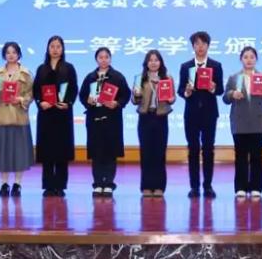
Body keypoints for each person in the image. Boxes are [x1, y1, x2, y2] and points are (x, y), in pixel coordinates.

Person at [177, 31, 225, 198]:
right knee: (193, 150)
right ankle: (194, 187)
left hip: (209, 113)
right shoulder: (186, 67)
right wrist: (187, 92)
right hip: (191, 114)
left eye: (203, 43)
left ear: (208, 46)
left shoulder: (215, 65)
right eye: (197, 44)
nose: (200, 47)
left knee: (208, 150)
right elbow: (180, 90)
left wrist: (213, 87)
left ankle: (208, 186)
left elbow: (220, 90)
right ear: (193, 46)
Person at [79, 47, 131, 196]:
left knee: (110, 152)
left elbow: (126, 95)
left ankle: (108, 183)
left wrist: (117, 103)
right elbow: (82, 95)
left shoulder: (117, 77)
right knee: (96, 153)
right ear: (96, 59)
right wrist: (88, 101)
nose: (103, 60)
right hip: (94, 120)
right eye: (100, 57)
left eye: (106, 57)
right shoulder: (90, 77)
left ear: (110, 59)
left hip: (112, 120)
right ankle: (97, 183)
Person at [223, 46, 262, 199]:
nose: (249, 60)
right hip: (239, 122)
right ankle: (241, 187)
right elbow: (225, 98)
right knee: (241, 156)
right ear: (241, 59)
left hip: (258, 122)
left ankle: (256, 187)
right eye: (246, 57)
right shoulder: (234, 78)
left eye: (252, 57)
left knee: (257, 156)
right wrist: (232, 94)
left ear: (256, 59)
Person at [0, 42, 33, 198]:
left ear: (19, 54)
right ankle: (4, 184)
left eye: (14, 52)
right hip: (1, 116)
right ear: (4, 55)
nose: (11, 55)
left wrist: (21, 99)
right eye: (8, 52)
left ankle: (17, 184)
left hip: (19, 116)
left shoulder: (26, 74)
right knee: (3, 151)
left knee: (19, 152)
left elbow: (31, 94)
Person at [33, 35, 79, 197]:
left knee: (61, 152)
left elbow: (74, 89)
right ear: (47, 49)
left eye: (58, 46)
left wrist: (68, 103)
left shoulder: (69, 68)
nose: (55, 49)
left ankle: (60, 185)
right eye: (52, 46)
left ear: (63, 49)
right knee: (47, 151)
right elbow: (36, 90)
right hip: (46, 114)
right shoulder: (41, 68)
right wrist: (40, 102)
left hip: (62, 114)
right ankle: (48, 185)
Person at [132, 50, 175, 197]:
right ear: (146, 63)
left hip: (161, 118)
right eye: (150, 60)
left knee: (159, 153)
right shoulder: (140, 78)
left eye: (156, 60)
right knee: (146, 153)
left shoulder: (167, 78)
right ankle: (146, 186)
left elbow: (172, 99)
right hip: (145, 118)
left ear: (160, 62)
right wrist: (136, 95)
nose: (153, 63)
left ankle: (159, 187)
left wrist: (169, 97)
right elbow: (134, 101)